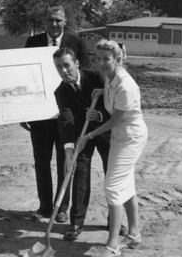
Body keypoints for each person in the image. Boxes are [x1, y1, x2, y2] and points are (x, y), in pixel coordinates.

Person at [76, 39, 148, 257]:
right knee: (125, 184)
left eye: (105, 59)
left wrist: (88, 136)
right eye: (97, 59)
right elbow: (109, 93)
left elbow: (113, 121)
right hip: (121, 136)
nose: (100, 63)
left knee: (113, 187)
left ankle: (112, 244)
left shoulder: (126, 86)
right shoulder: (110, 77)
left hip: (130, 137)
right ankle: (134, 235)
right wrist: (100, 90)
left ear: (118, 59)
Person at [22, 5, 90, 222]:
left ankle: (61, 207)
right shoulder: (32, 43)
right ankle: (44, 206)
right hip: (40, 116)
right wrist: (22, 111)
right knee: (41, 161)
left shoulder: (77, 43)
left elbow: (85, 77)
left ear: (65, 22)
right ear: (45, 20)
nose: (54, 24)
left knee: (66, 161)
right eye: (50, 19)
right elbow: (23, 78)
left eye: (58, 20)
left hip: (67, 117)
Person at [52, 47, 111, 240]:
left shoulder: (97, 78)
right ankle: (76, 224)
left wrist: (100, 114)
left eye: (67, 65)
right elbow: (67, 122)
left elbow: (117, 106)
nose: (64, 71)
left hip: (106, 132)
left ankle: (115, 220)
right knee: (79, 176)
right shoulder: (61, 91)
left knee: (113, 177)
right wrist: (69, 153)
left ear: (76, 63)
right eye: (59, 67)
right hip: (82, 135)